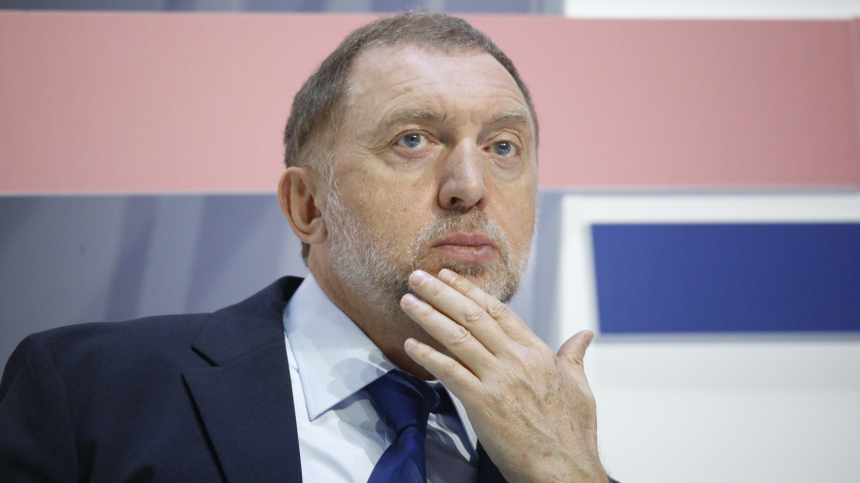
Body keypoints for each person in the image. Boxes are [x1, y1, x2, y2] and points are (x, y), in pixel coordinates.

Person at [0, 11, 616, 483]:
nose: (470, 187)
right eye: (412, 139)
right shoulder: (89, 391)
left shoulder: (555, 438)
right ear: (308, 206)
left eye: (503, 146)